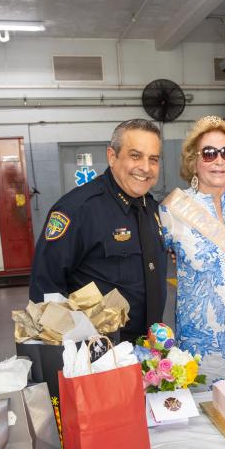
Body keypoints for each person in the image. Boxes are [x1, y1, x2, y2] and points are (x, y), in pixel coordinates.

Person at [29, 118, 167, 341]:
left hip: (149, 347)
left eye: (153, 159)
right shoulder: (77, 210)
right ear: (112, 157)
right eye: (135, 156)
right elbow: (45, 292)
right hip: (100, 355)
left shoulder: (151, 208)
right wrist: (77, 356)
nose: (145, 167)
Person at [158, 116, 225, 379]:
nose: (219, 161)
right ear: (194, 161)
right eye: (209, 154)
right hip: (202, 349)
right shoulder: (172, 210)